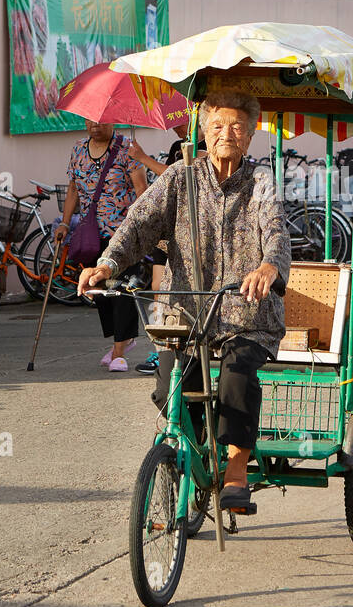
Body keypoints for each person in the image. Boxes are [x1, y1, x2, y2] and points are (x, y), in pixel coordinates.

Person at [78, 91, 291, 513]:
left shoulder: (261, 182)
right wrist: (106, 264)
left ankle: (235, 468)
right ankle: (193, 454)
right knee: (170, 389)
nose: (225, 134)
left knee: (235, 377)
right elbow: (139, 223)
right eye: (216, 126)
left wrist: (269, 266)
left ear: (249, 137)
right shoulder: (180, 177)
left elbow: (276, 228)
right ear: (203, 132)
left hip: (245, 315)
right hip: (187, 314)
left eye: (236, 127)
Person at [53, 118, 148, 372]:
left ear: (113, 122)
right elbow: (73, 188)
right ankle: (123, 340)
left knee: (123, 289)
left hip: (123, 233)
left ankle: (119, 351)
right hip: (91, 234)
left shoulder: (126, 147)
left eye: (102, 121)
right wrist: (64, 222)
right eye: (90, 121)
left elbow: (142, 188)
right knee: (99, 291)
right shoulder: (78, 149)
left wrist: (140, 225)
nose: (96, 125)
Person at [128, 123, 207, 376]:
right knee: (158, 289)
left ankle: (191, 344)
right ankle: (161, 346)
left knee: (188, 290)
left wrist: (142, 158)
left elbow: (180, 174)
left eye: (177, 120)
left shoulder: (207, 147)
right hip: (170, 226)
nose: (173, 126)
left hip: (195, 230)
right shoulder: (177, 146)